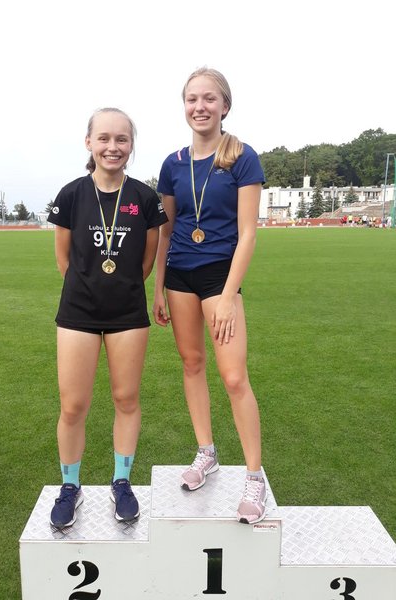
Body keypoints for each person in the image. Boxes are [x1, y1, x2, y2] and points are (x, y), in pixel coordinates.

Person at [153, 67, 266, 524]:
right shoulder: (172, 164)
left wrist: (228, 294)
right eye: (192, 99)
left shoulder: (242, 157)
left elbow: (248, 233)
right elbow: (166, 232)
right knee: (192, 363)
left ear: (225, 106)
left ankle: (254, 476)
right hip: (179, 275)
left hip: (221, 275)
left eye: (209, 98)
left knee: (234, 377)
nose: (199, 107)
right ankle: (207, 452)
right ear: (184, 106)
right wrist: (158, 288)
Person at [47, 107, 167, 528]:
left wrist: (121, 288)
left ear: (131, 145)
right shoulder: (71, 195)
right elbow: (63, 259)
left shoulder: (145, 198)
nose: (112, 147)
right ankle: (70, 486)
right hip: (77, 313)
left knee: (126, 399)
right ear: (89, 143)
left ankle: (121, 481)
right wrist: (89, 289)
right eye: (104, 138)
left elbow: (147, 261)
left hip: (128, 314)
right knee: (73, 405)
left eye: (121, 139)